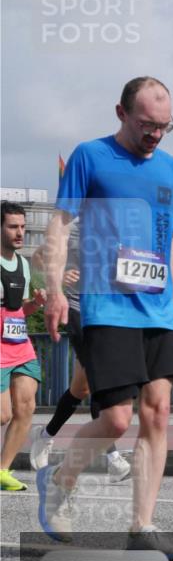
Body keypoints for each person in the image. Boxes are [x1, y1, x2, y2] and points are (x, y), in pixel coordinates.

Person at [38, 76, 173, 560]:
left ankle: (141, 526)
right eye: (147, 125)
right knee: (117, 421)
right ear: (121, 113)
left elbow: (170, 240)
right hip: (107, 304)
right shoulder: (90, 155)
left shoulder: (170, 166)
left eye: (165, 127)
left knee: (159, 412)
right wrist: (55, 290)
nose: (156, 135)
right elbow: (60, 226)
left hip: (159, 305)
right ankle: (62, 479)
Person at [27, 223, 131, 482]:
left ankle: (46, 435)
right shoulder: (73, 229)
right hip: (76, 310)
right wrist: (58, 277)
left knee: (80, 388)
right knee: (99, 379)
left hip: (107, 314)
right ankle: (113, 459)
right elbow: (39, 257)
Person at [1, 201, 46, 491]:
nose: (20, 233)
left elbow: (19, 310)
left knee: (26, 406)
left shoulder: (23, 265)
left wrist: (36, 303)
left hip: (20, 344)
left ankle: (2, 470)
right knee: (2, 414)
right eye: (13, 227)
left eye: (22, 227)